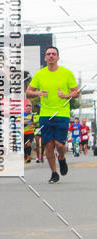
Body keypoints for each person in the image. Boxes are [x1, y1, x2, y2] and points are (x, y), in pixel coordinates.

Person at [26, 47, 80, 184]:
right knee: (49, 145)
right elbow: (28, 92)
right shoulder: (39, 74)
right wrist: (37, 93)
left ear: (57, 57)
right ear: (45, 58)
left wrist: (65, 95)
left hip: (62, 114)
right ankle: (54, 173)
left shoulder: (66, 73)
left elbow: (76, 92)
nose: (51, 56)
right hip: (45, 114)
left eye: (53, 54)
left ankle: (61, 158)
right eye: (48, 54)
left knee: (59, 144)